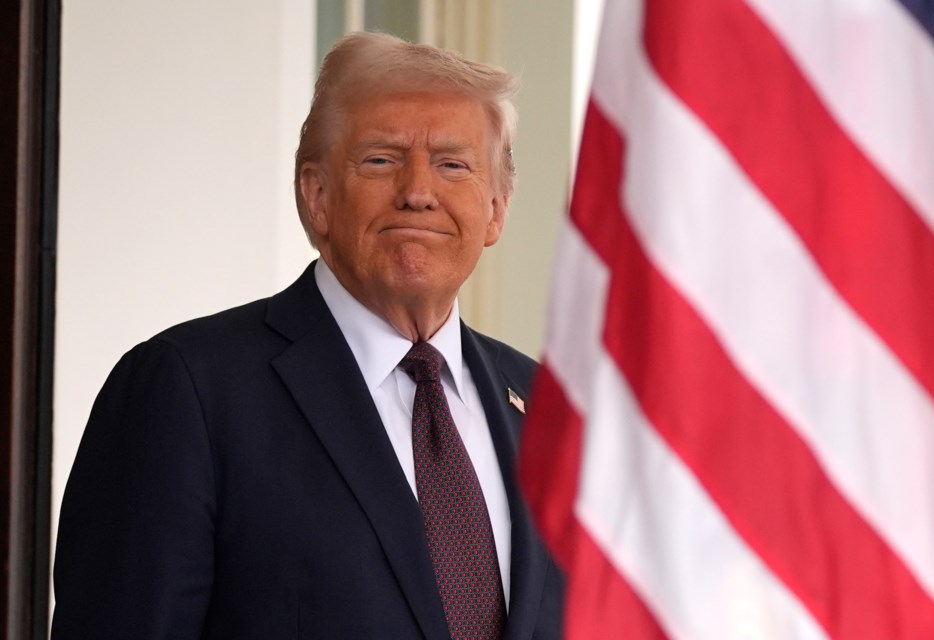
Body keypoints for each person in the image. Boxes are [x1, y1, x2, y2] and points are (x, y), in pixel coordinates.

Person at [51, 31, 564, 640]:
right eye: (382, 158)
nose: (419, 192)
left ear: (497, 210)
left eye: (453, 164)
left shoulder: (544, 408)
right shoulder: (187, 389)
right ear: (316, 195)